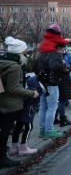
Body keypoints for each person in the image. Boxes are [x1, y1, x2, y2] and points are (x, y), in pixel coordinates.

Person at [0, 36, 39, 167]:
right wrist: (31, 93)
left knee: (3, 130)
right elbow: (14, 88)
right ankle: (2, 158)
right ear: (19, 53)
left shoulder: (2, 62)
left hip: (2, 101)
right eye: (24, 52)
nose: (26, 54)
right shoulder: (15, 67)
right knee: (5, 131)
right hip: (11, 104)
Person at [35, 43, 66, 138]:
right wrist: (63, 63)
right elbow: (57, 67)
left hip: (42, 84)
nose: (62, 52)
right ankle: (48, 131)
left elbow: (35, 69)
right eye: (61, 50)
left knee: (43, 107)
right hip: (52, 84)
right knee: (52, 108)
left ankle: (42, 130)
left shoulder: (41, 56)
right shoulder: (54, 56)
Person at [10, 76, 41, 157]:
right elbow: (36, 102)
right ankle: (23, 148)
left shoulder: (26, 90)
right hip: (28, 113)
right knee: (29, 127)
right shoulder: (35, 91)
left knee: (18, 127)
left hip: (19, 111)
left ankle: (14, 147)